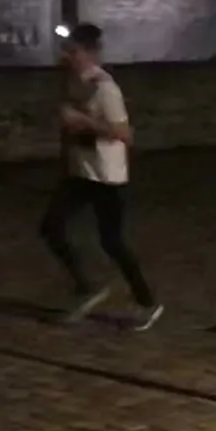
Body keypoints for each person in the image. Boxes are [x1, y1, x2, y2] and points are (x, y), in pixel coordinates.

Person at [42, 22, 164, 331]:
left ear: (90, 53)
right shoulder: (73, 82)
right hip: (80, 173)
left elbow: (125, 134)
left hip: (108, 178)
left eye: (74, 51)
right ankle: (88, 287)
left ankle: (147, 301)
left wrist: (83, 121)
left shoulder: (105, 88)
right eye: (67, 51)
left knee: (113, 242)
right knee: (51, 227)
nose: (68, 56)